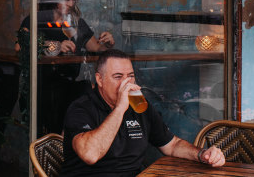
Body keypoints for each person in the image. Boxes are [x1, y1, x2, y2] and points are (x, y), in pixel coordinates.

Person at [61, 49, 225, 177]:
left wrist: (202, 154)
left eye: (130, 76)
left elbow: (172, 145)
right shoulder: (81, 108)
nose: (126, 83)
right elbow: (90, 154)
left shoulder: (140, 106)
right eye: (118, 77)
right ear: (99, 80)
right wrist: (120, 108)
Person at [16, 0, 115, 133]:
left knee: (86, 91)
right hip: (41, 89)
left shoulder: (75, 22)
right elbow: (19, 46)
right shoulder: (37, 19)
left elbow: (96, 48)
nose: (70, 3)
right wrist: (54, 46)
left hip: (67, 88)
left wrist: (108, 43)